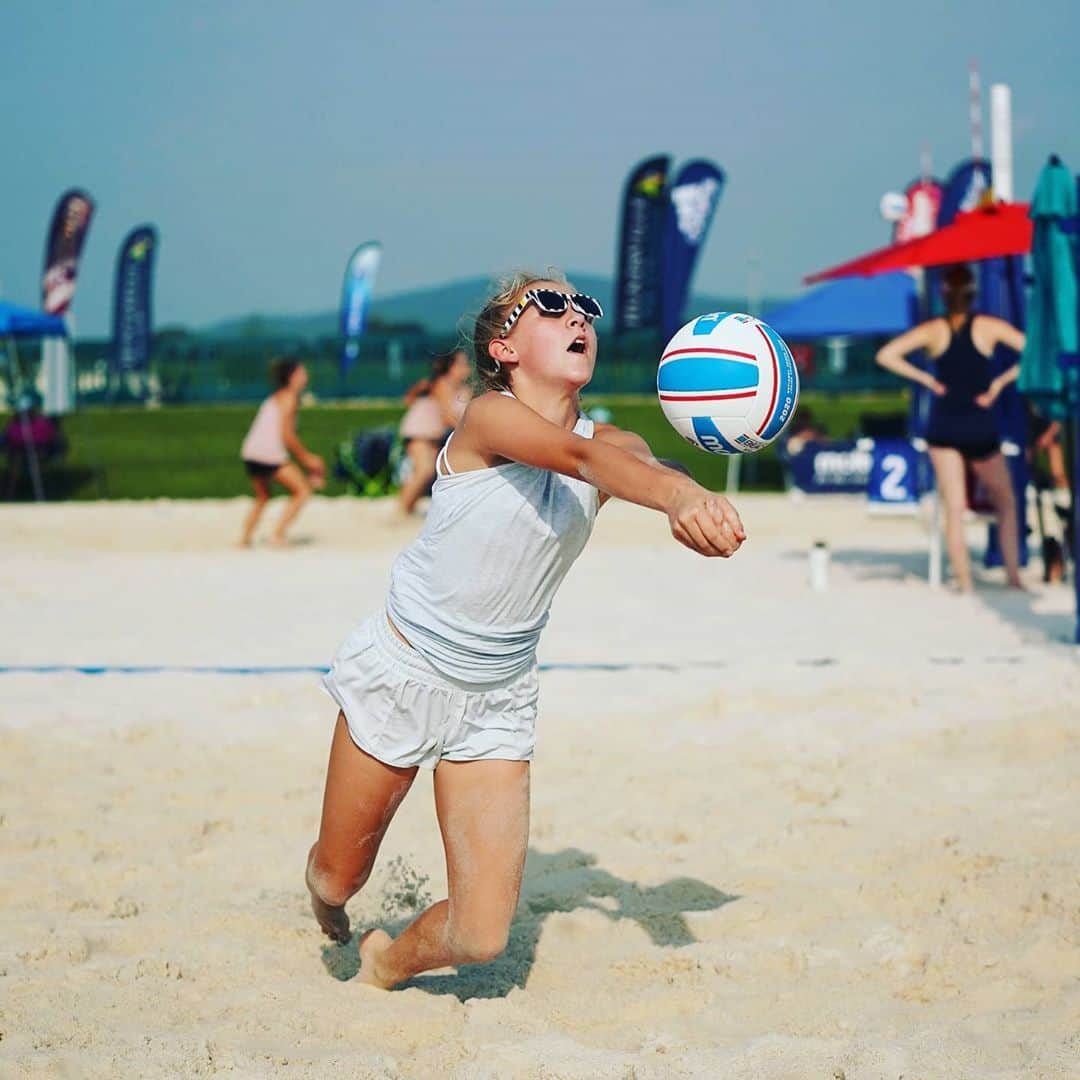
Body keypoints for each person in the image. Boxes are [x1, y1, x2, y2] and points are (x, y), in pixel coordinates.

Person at [305, 272, 745, 989]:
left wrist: (690, 500)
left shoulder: (614, 441)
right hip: (406, 671)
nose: (576, 316)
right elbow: (580, 460)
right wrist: (673, 494)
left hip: (497, 698)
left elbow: (638, 463)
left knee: (480, 936)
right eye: (549, 304)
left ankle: (388, 960)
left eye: (584, 307)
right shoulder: (487, 418)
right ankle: (322, 893)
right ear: (503, 347)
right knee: (338, 875)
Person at [876, 264, 1026, 592]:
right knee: (1006, 503)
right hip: (980, 424)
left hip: (944, 426)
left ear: (943, 295)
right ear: (973, 295)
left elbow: (886, 355)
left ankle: (964, 582)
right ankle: (1013, 577)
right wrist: (1000, 383)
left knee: (954, 508)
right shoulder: (988, 327)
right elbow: (1031, 351)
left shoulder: (933, 331)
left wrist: (926, 379)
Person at [238, 357, 325, 548]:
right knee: (302, 490)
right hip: (269, 454)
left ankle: (244, 538)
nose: (305, 376)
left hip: (250, 452)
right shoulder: (289, 398)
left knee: (262, 498)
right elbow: (287, 435)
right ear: (292, 377)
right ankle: (277, 535)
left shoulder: (277, 397)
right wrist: (307, 459)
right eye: (301, 373)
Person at [396, 348, 472, 516]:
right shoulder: (442, 384)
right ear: (450, 366)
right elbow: (447, 415)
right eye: (462, 363)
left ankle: (406, 509)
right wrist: (471, 432)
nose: (467, 367)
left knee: (427, 471)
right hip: (420, 430)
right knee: (424, 470)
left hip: (433, 435)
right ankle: (401, 510)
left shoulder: (463, 389)